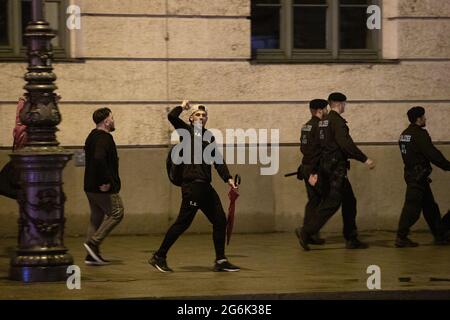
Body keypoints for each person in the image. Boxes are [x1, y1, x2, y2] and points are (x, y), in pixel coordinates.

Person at [149, 100, 240, 273]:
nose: (201, 117)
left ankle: (220, 260)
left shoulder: (209, 137)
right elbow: (171, 116)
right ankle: (159, 256)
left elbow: (218, 160)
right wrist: (182, 107)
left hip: (205, 187)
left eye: (204, 115)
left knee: (220, 220)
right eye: (197, 115)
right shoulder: (187, 132)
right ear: (191, 119)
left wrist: (228, 178)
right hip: (192, 187)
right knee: (182, 223)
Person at [298, 92, 375, 251]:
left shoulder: (323, 122)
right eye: (344, 104)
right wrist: (364, 159)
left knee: (348, 201)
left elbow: (316, 147)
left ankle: (351, 238)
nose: (345, 106)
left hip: (327, 167)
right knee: (331, 203)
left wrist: (312, 168)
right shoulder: (336, 122)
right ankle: (307, 231)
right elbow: (345, 144)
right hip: (335, 169)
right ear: (340, 104)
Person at [396, 107, 450, 247]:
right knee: (412, 208)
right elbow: (432, 153)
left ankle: (440, 235)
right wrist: (447, 166)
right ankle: (401, 237)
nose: (425, 119)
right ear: (418, 119)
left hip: (413, 175)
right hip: (418, 176)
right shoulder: (419, 134)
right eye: (424, 117)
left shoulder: (404, 134)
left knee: (430, 207)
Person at [83, 108, 124, 265]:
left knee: (96, 218)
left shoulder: (91, 136)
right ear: (106, 121)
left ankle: (90, 256)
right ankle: (94, 242)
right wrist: (106, 181)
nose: (114, 120)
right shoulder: (104, 138)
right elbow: (99, 158)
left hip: (89, 186)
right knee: (117, 212)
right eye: (112, 118)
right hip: (102, 186)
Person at [294, 99, 329, 246]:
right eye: (326, 109)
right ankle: (306, 231)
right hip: (315, 168)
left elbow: (304, 149)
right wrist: (314, 171)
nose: (327, 112)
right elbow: (319, 149)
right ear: (320, 110)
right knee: (323, 201)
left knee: (313, 200)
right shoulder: (319, 126)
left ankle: (310, 234)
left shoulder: (306, 126)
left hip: (306, 166)